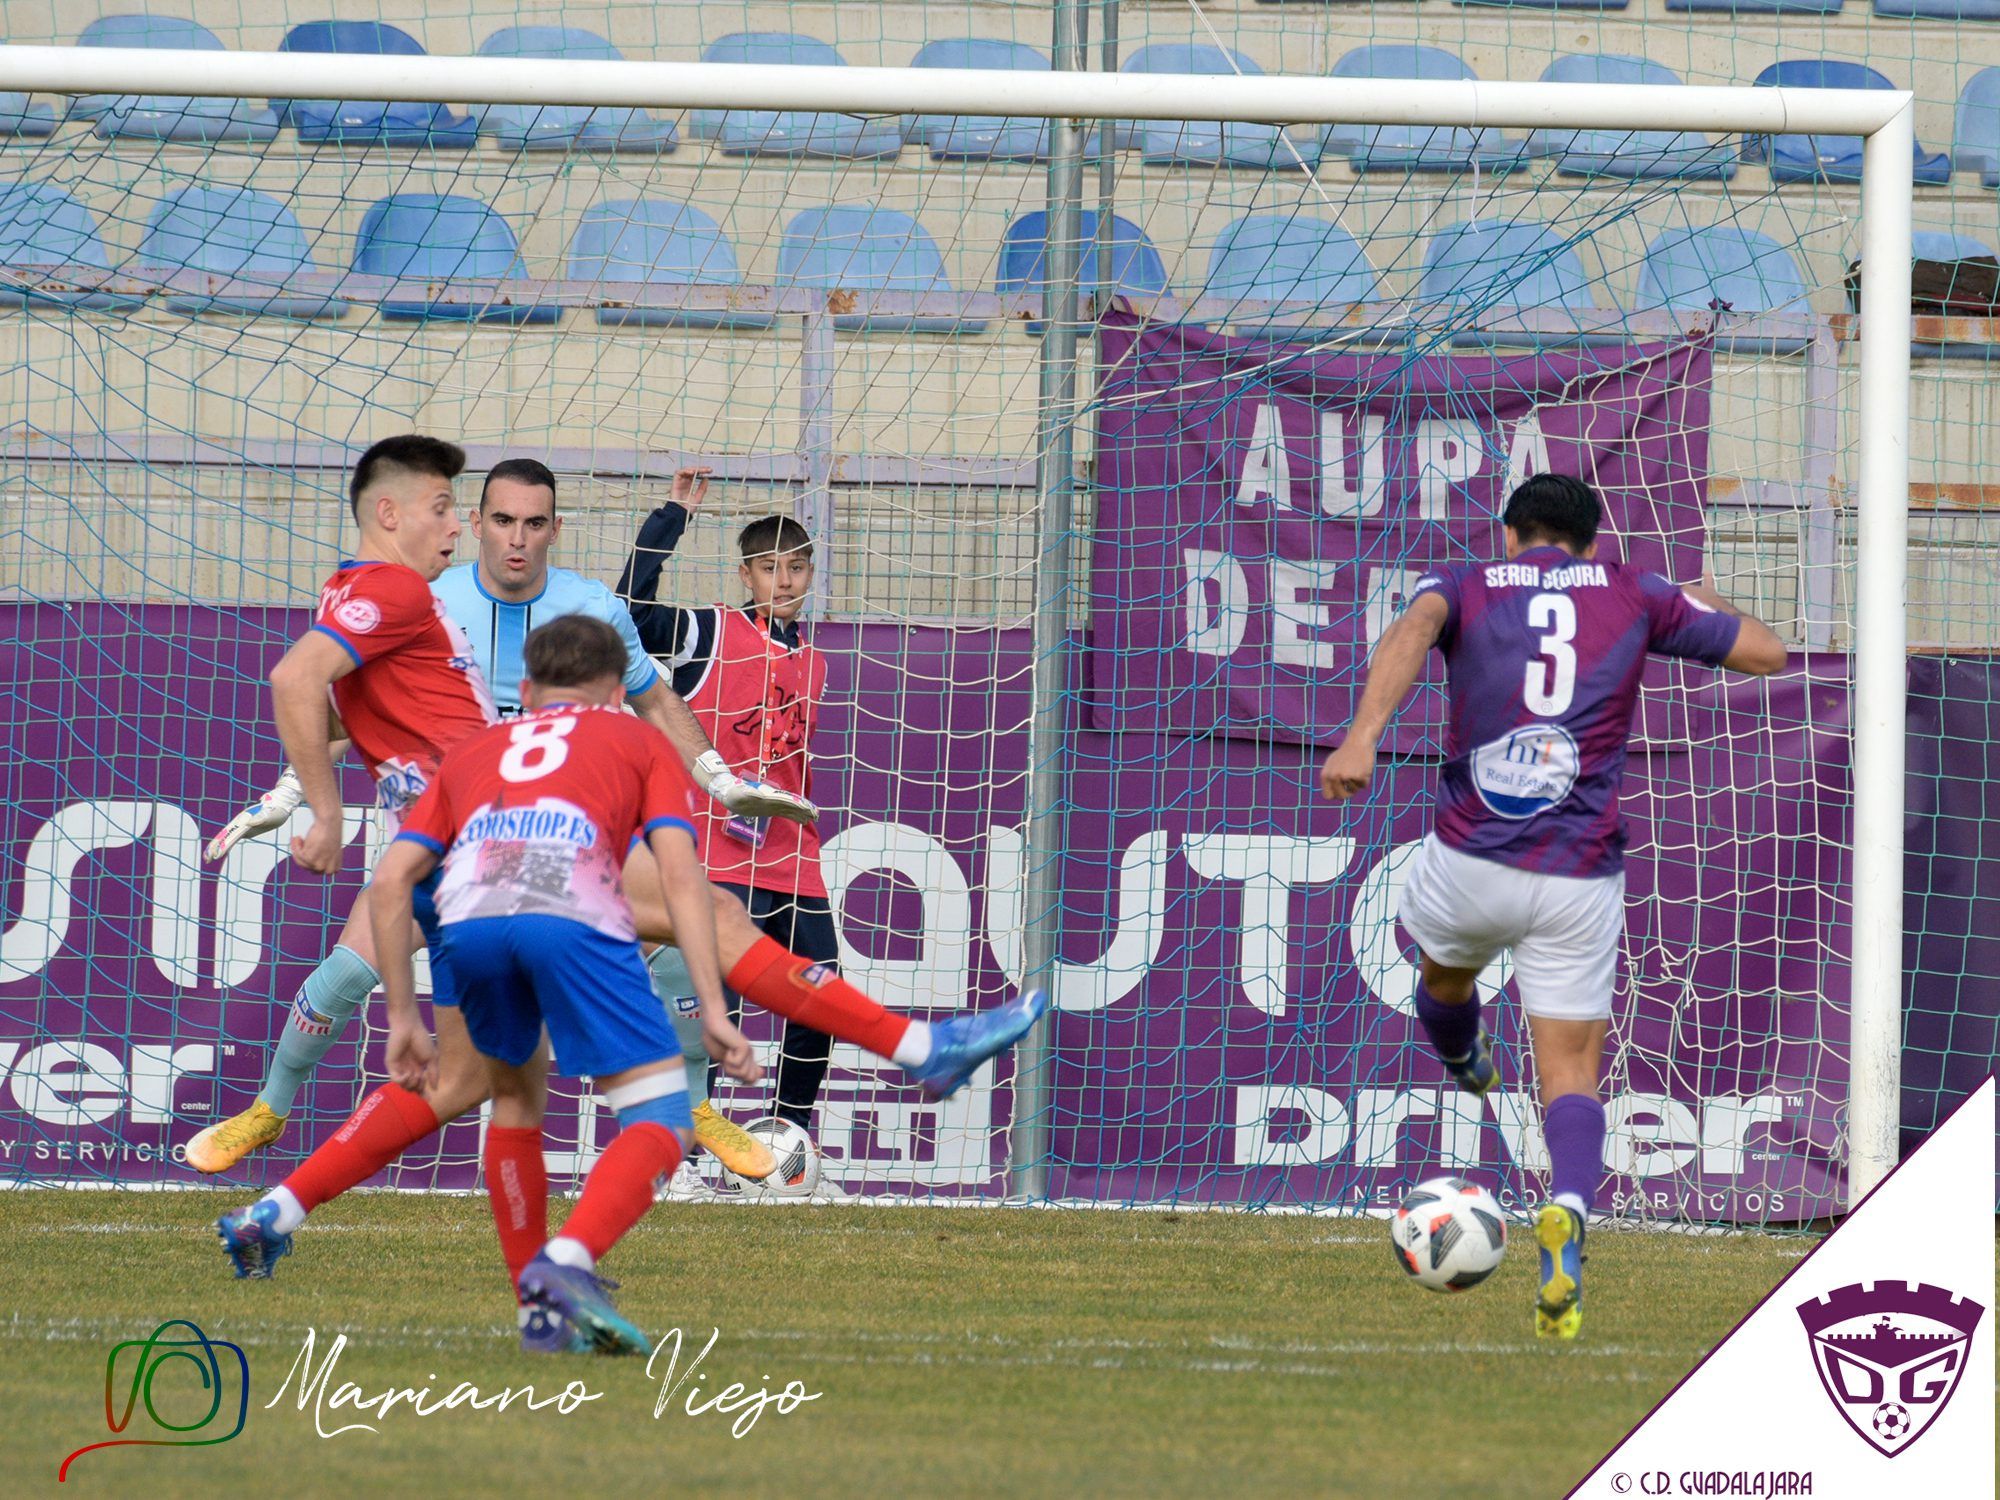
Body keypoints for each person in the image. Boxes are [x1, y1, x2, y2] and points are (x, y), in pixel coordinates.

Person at [213, 449, 1048, 1278]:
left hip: (446, 863)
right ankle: (915, 1049)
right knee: (699, 957)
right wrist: (319, 808)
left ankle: (281, 1209)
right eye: (445, 507)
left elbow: (350, 716)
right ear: (389, 514)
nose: (459, 523)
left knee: (480, 1081)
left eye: (506, 517)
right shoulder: (404, 592)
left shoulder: (360, 597)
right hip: (502, 836)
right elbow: (298, 678)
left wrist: (309, 803)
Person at [191, 459, 802, 1181]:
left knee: (680, 926)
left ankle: (696, 1107)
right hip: (453, 840)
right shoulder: (425, 598)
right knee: (349, 972)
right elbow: (357, 699)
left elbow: (654, 697)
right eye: (502, 521)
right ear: (477, 525)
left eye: (534, 524)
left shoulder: (593, 606)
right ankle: (269, 1108)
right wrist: (297, 787)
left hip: (563, 829)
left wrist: (720, 779)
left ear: (554, 531)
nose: (518, 539)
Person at [1318, 473, 1786, 1340]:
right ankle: (1568, 1208)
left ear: (1510, 535)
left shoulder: (1460, 583)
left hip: (1472, 859)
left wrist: (1363, 734)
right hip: (1580, 872)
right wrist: (1704, 597)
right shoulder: (1634, 591)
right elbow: (1767, 654)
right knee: (1571, 1072)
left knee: (1442, 974)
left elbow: (1416, 630)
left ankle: (1464, 1062)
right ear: (1590, 541)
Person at [370, 615, 739, 1353]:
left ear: (527, 690)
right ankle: (564, 1265)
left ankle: (536, 1317)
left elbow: (388, 883)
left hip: (465, 925)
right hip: (567, 916)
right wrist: (718, 1009)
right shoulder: (635, 736)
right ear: (613, 693)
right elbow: (682, 878)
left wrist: (400, 1015)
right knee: (664, 1117)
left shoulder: (476, 748)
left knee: (510, 1096)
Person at [618, 486, 839, 1197]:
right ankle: (678, 1160)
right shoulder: (710, 632)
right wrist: (670, 519)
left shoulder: (818, 661)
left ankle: (789, 1150)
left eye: (796, 569)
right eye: (769, 568)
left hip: (794, 859)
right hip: (717, 855)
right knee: (712, 1008)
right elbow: (629, 610)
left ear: (810, 575)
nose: (784, 581)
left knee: (820, 995)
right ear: (746, 575)